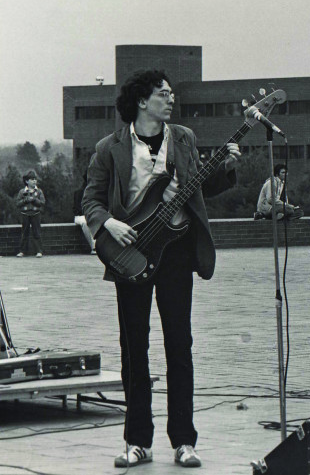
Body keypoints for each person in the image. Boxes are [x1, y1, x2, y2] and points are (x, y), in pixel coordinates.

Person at [82, 69, 241, 469]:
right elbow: (90, 200)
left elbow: (201, 188)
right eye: (162, 94)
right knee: (134, 349)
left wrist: (226, 168)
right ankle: (138, 442)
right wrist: (109, 223)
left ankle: (184, 441)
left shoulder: (183, 139)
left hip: (176, 252)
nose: (170, 100)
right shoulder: (109, 147)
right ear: (141, 101)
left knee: (179, 346)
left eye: (171, 93)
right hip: (130, 250)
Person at [15, 170, 45, 258]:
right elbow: (17, 203)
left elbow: (43, 202)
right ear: (27, 181)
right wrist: (25, 200)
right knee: (25, 232)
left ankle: (39, 251)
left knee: (37, 232)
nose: (34, 181)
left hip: (36, 214)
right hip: (25, 214)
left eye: (35, 179)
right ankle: (22, 251)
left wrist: (34, 200)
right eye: (32, 179)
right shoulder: (22, 192)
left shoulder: (39, 191)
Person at [73, 166, 97, 254]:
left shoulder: (97, 191)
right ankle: (93, 247)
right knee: (85, 222)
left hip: (92, 215)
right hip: (81, 216)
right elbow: (77, 209)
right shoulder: (79, 192)